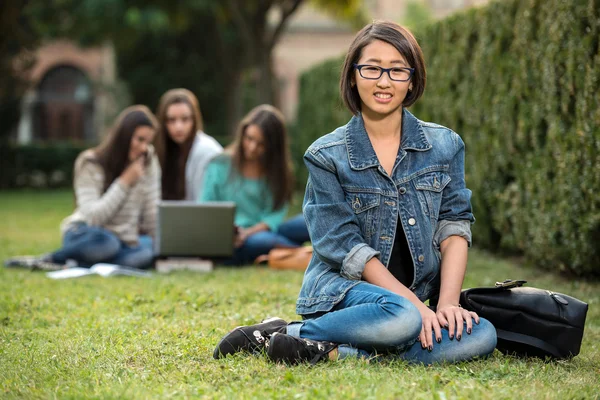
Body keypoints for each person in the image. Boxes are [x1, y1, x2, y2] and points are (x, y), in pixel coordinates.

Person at [212, 21, 497, 364]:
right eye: (372, 68)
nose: (384, 81)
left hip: (419, 298)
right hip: (344, 293)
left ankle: (343, 353)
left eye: (397, 70)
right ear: (352, 76)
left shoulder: (445, 145)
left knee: (483, 333)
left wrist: (447, 304)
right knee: (402, 317)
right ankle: (287, 334)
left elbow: (455, 228)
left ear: (412, 80)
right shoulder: (326, 155)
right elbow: (347, 249)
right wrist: (417, 308)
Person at [5, 105, 161, 270]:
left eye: (148, 142)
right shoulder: (89, 162)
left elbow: (152, 213)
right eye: (139, 140)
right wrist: (124, 182)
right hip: (86, 234)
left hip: (125, 240)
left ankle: (77, 264)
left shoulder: (148, 161)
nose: (144, 148)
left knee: (145, 253)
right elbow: (93, 217)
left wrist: (161, 243)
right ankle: (51, 259)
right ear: (123, 136)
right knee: (108, 244)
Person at [200, 104, 310, 265]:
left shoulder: (278, 171)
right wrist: (234, 234)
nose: (252, 148)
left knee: (312, 220)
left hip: (266, 229)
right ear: (242, 134)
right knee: (261, 241)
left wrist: (250, 232)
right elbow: (206, 207)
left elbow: (275, 215)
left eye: (261, 144)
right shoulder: (219, 164)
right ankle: (306, 255)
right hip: (237, 239)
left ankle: (286, 250)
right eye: (249, 139)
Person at [154, 88, 223, 201]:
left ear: (194, 120)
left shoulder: (207, 151)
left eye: (185, 119)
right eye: (171, 120)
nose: (178, 127)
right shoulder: (161, 150)